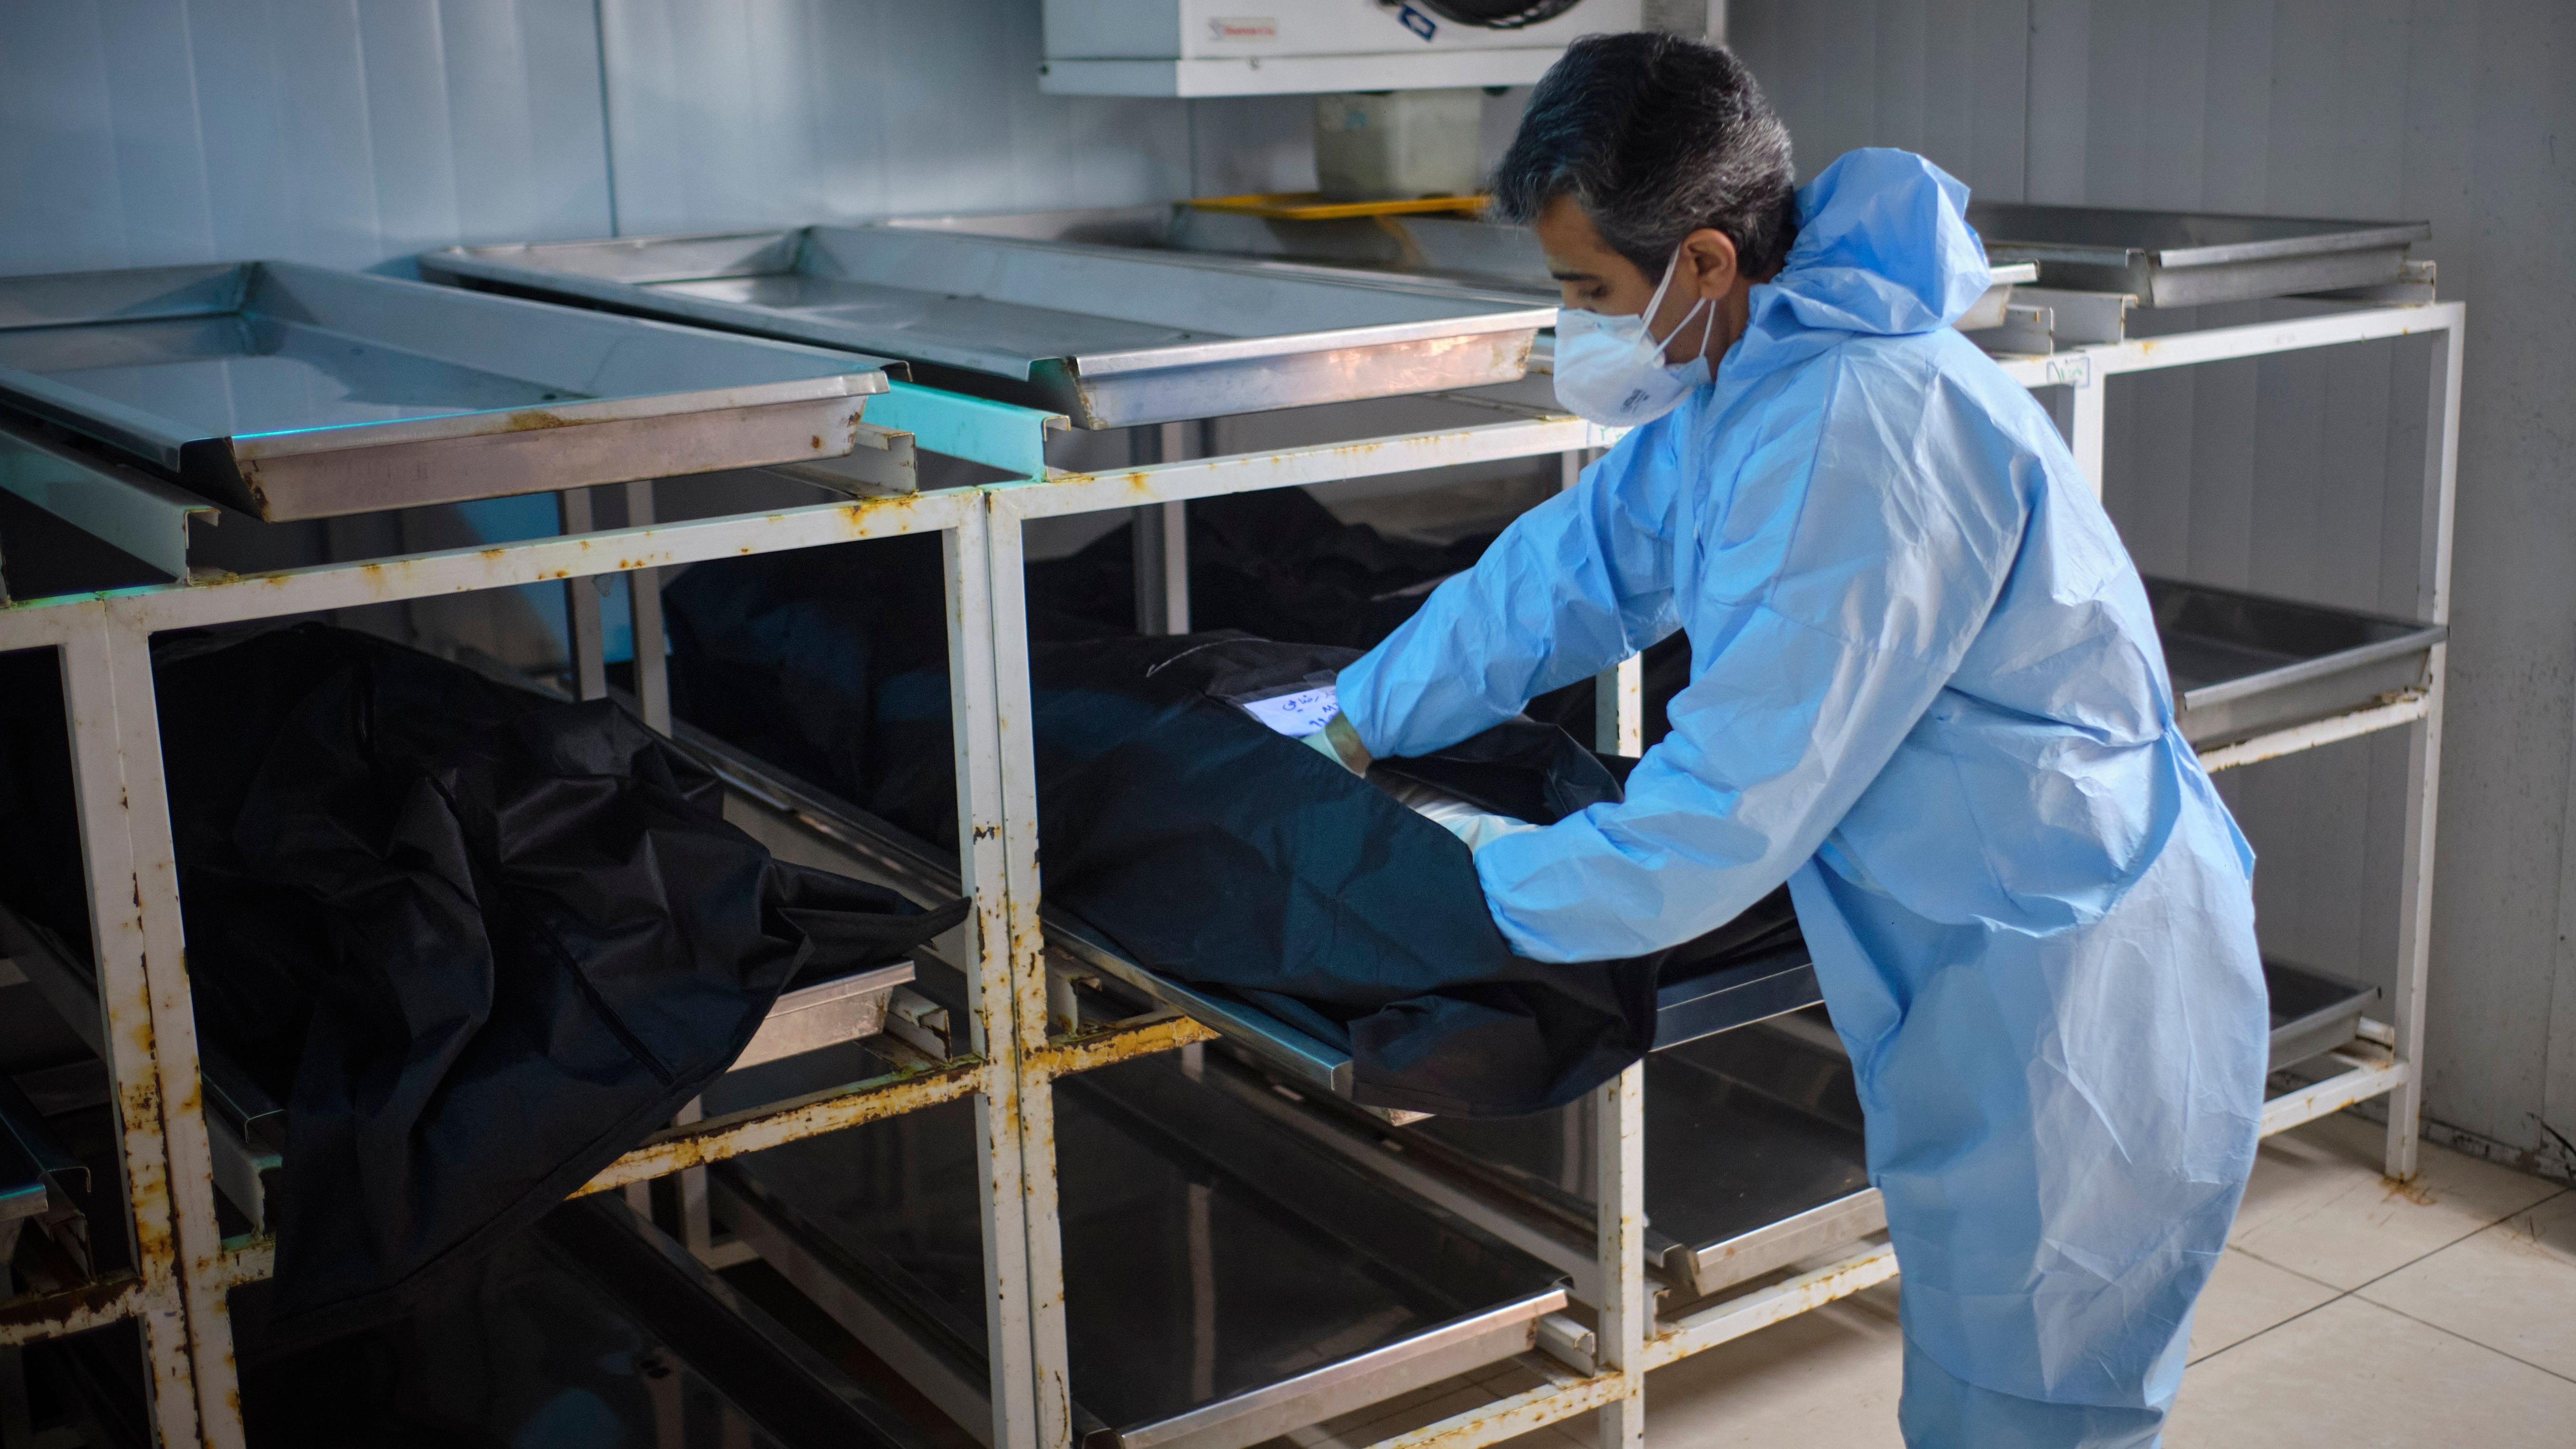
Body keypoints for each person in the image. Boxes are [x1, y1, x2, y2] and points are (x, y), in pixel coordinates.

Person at [1299, 33, 2268, 1449]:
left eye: (1587, 292)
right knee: (1987, 1376)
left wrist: (1467, 883)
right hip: (1980, 942)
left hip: (2069, 982)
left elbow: (1727, 812)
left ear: (1700, 261)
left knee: (2027, 1401)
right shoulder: (1759, 369)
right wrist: (1359, 719)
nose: (1575, 325)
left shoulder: (1858, 431)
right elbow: (1568, 572)